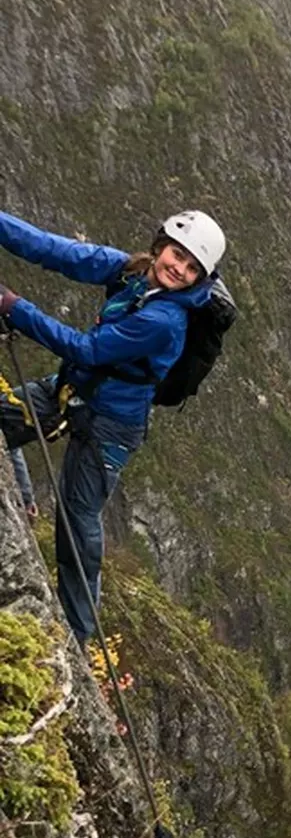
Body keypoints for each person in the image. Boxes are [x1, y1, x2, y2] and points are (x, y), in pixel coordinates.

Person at [0, 208, 226, 646]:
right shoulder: (130, 271)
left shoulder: (165, 321)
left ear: (199, 278)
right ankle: (23, 497)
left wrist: (14, 308)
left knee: (76, 522)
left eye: (191, 267)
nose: (178, 268)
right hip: (72, 390)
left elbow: (87, 349)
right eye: (177, 254)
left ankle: (77, 638)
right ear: (160, 246)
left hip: (110, 427)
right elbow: (52, 250)